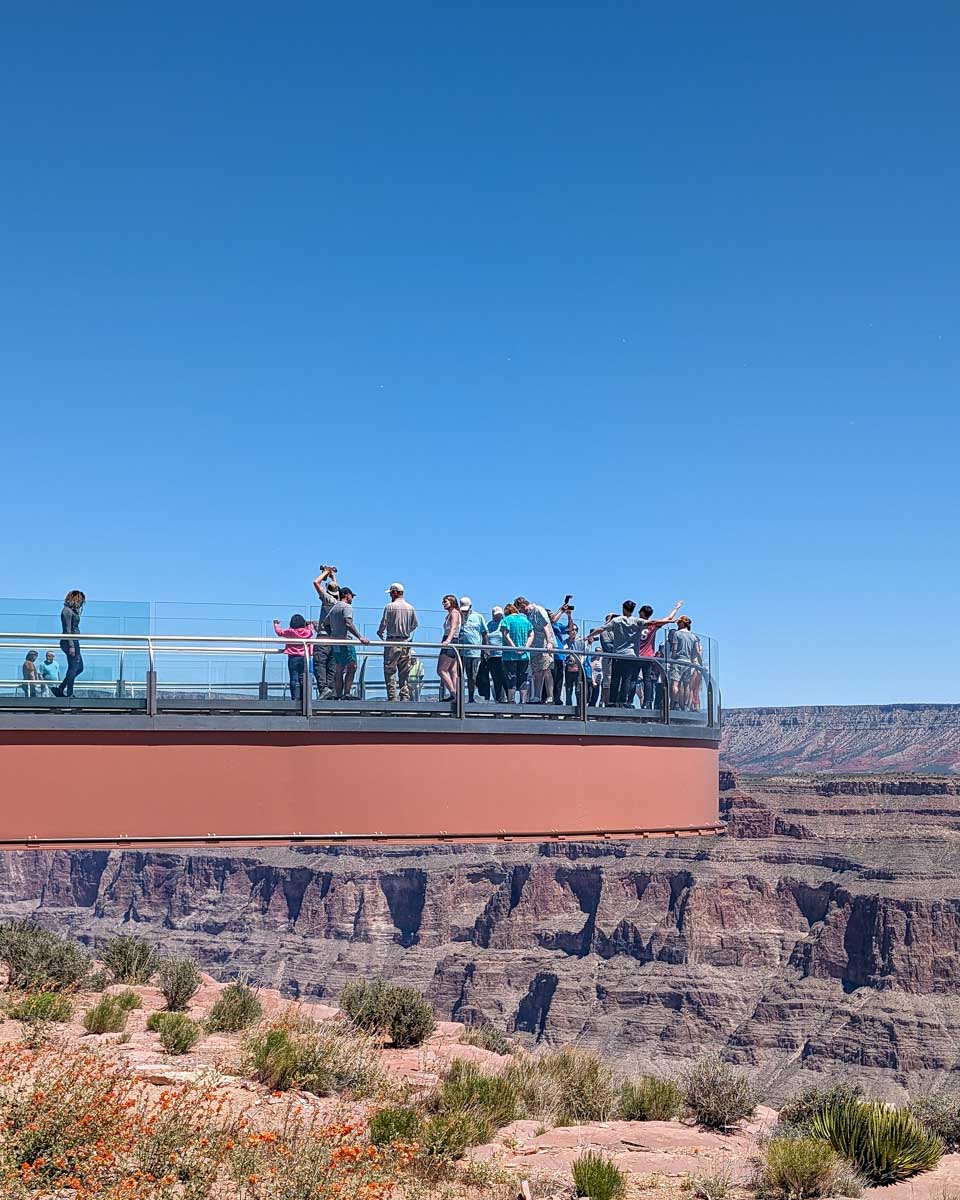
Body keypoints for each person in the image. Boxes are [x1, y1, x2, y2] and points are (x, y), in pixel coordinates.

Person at [588, 602, 638, 708]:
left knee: (624, 680)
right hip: (610, 659)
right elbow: (607, 646)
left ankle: (622, 701)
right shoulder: (606, 631)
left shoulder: (620, 630)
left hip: (622, 657)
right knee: (611, 680)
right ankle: (610, 701)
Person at [322, 587, 370, 699]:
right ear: (347, 595)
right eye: (351, 596)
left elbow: (325, 623)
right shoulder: (347, 607)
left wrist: (332, 635)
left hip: (336, 643)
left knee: (339, 667)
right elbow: (348, 623)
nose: (352, 598)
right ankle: (347, 693)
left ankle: (338, 694)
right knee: (352, 666)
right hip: (346, 641)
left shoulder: (334, 608)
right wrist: (360, 637)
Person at [635, 601, 683, 708]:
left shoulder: (636, 623)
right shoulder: (653, 625)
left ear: (642, 613)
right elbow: (668, 618)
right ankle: (647, 703)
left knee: (634, 679)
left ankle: (627, 701)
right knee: (647, 680)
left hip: (637, 655)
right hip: (648, 656)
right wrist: (676, 608)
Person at [377, 582, 419, 701]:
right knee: (404, 671)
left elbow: (384, 623)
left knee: (390, 670)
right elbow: (415, 625)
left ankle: (392, 697)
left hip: (392, 641)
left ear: (395, 592)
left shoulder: (389, 607)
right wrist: (406, 632)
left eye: (391, 593)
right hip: (406, 641)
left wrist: (380, 633)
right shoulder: (410, 608)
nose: (390, 595)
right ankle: (405, 696)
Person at [513, 597, 556, 703]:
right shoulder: (528, 615)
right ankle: (537, 696)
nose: (520, 612)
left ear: (523, 606)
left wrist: (549, 643)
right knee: (537, 672)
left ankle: (550, 696)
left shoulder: (538, 610)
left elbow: (546, 626)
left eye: (520, 609)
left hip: (545, 645)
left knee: (546, 670)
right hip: (535, 647)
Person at [312, 566, 342, 700]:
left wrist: (325, 571)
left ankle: (323, 689)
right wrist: (332, 576)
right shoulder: (340, 602)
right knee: (332, 665)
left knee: (319, 663)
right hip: (335, 639)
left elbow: (316, 583)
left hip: (323, 638)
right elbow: (336, 589)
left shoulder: (327, 600)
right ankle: (331, 689)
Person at [50, 590, 85, 698]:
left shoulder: (72, 611)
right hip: (70, 641)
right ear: (75, 600)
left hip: (74, 640)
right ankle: (69, 693)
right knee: (74, 667)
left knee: (78, 667)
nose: (81, 604)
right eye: (80, 601)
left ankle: (61, 688)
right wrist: (71, 645)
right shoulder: (67, 611)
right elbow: (67, 630)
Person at [273, 613, 315, 700]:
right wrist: (309, 625)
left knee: (293, 678)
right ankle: (304, 697)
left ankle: (294, 697)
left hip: (292, 657)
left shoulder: (290, 632)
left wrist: (276, 624)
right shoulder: (306, 632)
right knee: (302, 678)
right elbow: (311, 633)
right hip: (304, 657)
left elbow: (280, 633)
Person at [668, 615, 703, 711]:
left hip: (678, 661)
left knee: (675, 684)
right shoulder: (693, 636)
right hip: (688, 663)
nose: (677, 624)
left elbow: (674, 649)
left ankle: (676, 704)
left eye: (679, 622)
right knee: (687, 685)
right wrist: (700, 663)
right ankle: (687, 706)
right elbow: (696, 651)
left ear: (683, 623)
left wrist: (672, 660)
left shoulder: (677, 634)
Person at [457, 597, 487, 703]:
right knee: (459, 676)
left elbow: (484, 633)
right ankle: (458, 697)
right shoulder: (457, 616)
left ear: (471, 606)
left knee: (472, 677)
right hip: (460, 651)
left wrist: (486, 649)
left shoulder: (478, 617)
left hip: (474, 652)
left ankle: (470, 697)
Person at [499, 603, 531, 702]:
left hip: (509, 655)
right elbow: (531, 635)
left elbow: (505, 634)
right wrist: (525, 648)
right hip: (525, 655)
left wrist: (514, 648)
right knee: (523, 678)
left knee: (511, 677)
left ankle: (511, 701)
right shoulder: (526, 620)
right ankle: (523, 701)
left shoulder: (506, 620)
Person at [479, 606, 508, 703]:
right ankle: (499, 699)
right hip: (492, 656)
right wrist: (485, 651)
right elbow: (484, 638)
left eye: (500, 615)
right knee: (496, 679)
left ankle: (509, 698)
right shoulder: (489, 625)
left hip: (503, 655)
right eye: (496, 615)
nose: (498, 617)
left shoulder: (505, 623)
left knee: (505, 677)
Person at [437, 594, 461, 701]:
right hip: (452, 640)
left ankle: (454, 692)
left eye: (445, 601)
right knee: (452, 670)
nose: (443, 604)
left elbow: (453, 628)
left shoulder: (454, 613)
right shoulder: (450, 614)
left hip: (451, 640)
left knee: (441, 670)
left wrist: (448, 640)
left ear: (451, 602)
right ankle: (455, 695)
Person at [562, 626, 589, 706]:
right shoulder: (565, 642)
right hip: (568, 669)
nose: (573, 631)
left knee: (578, 690)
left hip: (578, 669)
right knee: (568, 690)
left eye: (575, 630)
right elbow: (565, 653)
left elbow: (585, 654)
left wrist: (579, 662)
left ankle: (579, 709)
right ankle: (568, 711)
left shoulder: (581, 642)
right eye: (572, 630)